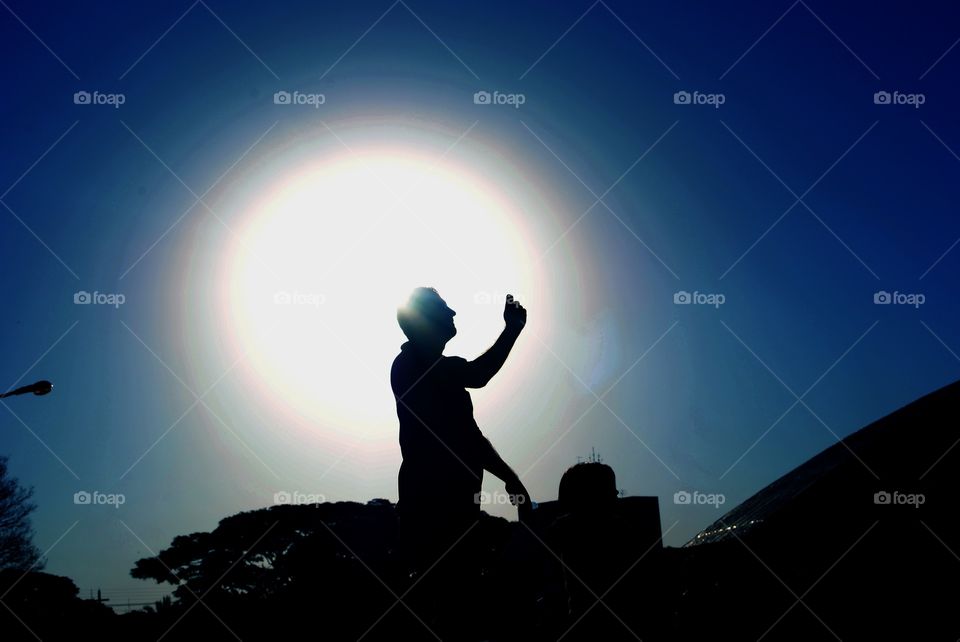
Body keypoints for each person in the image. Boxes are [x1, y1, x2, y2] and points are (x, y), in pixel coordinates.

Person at [390, 287, 530, 638]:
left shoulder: (435, 371)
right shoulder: (411, 365)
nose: (453, 312)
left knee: (459, 608)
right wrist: (511, 330)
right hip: (432, 510)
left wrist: (508, 478)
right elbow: (478, 374)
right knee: (443, 610)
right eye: (443, 308)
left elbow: (470, 437)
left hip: (454, 511)